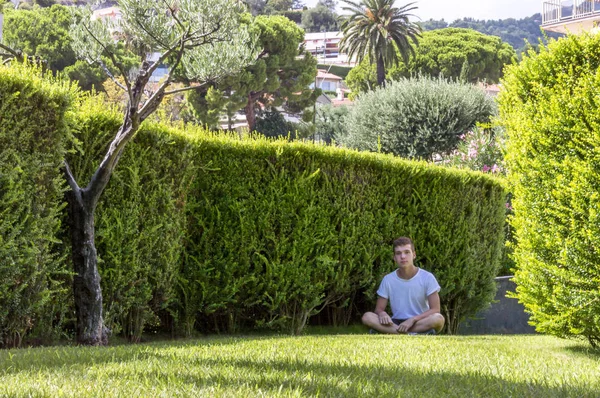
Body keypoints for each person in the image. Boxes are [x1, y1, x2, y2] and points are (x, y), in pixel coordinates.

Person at [362, 237, 445, 335]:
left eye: (407, 252)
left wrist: (413, 319)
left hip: (419, 321)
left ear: (414, 255)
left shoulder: (427, 277)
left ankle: (395, 332)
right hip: (396, 322)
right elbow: (379, 309)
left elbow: (435, 309)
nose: (402, 256)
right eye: (398, 253)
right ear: (394, 257)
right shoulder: (388, 279)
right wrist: (382, 313)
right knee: (367, 317)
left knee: (438, 319)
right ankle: (408, 333)